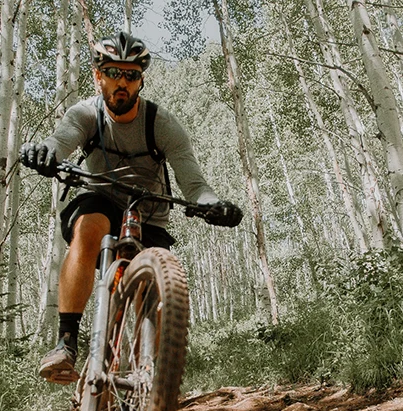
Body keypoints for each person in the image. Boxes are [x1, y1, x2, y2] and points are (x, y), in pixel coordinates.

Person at [20, 31, 242, 383]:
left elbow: (195, 184)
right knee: (90, 224)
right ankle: (66, 341)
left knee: (154, 292)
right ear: (98, 76)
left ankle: (149, 382)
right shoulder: (85, 114)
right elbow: (61, 140)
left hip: (149, 214)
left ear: (141, 80)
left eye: (131, 75)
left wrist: (214, 205)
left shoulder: (162, 123)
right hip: (101, 201)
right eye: (112, 73)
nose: (121, 82)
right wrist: (46, 152)